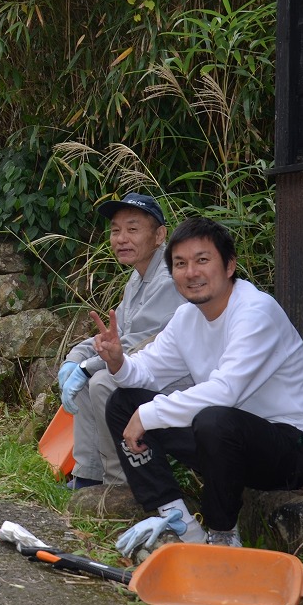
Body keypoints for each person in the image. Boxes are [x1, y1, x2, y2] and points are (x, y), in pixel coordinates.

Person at [92, 216, 303, 548]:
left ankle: (222, 535)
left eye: (202, 260)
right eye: (180, 264)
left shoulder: (256, 311)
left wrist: (149, 415)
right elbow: (148, 370)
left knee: (213, 419)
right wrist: (118, 361)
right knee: (123, 402)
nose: (191, 272)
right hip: (224, 445)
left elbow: (225, 391)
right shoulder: (187, 317)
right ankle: (177, 519)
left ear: (229, 265)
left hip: (290, 448)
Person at [56, 192, 187, 490]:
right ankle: (89, 476)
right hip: (143, 369)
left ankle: (120, 484)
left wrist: (87, 367)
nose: (121, 238)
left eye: (132, 229)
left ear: (159, 235)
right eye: (115, 230)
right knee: (87, 377)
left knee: (102, 380)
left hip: (177, 379)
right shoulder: (139, 277)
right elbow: (116, 337)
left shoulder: (168, 278)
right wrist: (75, 359)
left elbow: (139, 343)